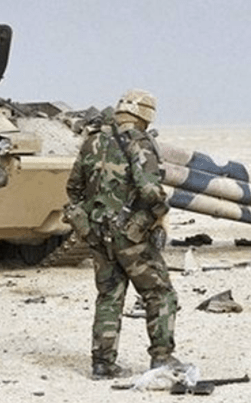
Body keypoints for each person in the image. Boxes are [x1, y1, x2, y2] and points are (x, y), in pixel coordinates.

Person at [65, 89, 181, 380]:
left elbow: (73, 188)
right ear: (145, 115)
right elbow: (150, 190)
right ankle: (162, 358)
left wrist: (92, 218)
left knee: (109, 296)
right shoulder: (139, 142)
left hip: (97, 232)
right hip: (131, 236)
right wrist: (159, 213)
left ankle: (102, 364)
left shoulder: (92, 141)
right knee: (159, 293)